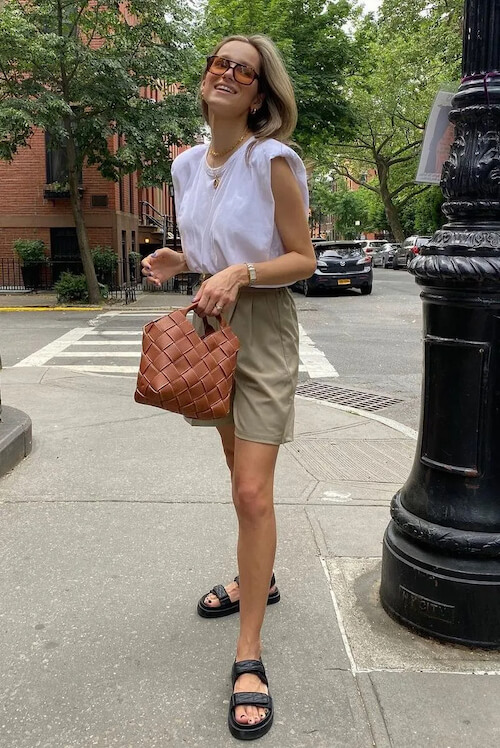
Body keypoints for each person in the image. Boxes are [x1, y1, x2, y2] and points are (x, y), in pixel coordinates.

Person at [142, 34, 315, 741]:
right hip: (212, 328)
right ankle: (257, 579)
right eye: (219, 62)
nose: (226, 72)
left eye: (242, 69)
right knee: (232, 470)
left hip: (264, 328)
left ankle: (249, 652)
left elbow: (301, 258)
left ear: (260, 94)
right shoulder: (185, 164)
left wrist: (239, 274)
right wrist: (185, 259)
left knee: (252, 490)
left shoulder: (273, 160)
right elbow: (216, 249)